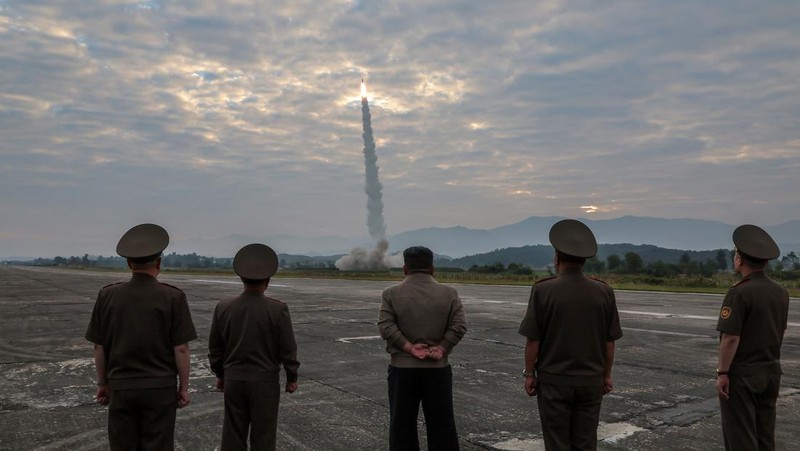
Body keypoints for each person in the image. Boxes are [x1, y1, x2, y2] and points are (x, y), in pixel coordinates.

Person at [85, 223, 197, 450]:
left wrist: (102, 383)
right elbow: (181, 348)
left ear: (128, 263)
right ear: (158, 262)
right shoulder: (172, 297)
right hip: (160, 389)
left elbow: (99, 346)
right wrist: (183, 388)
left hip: (121, 387)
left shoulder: (107, 295)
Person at [518, 219, 623, 451]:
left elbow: (533, 340)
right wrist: (606, 375)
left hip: (555, 381)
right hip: (591, 382)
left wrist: (529, 374)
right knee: (586, 442)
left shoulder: (543, 290)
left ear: (557, 258)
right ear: (584, 260)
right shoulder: (604, 292)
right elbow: (609, 342)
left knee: (557, 442)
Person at [208, 243, 300, 451]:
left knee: (232, 435)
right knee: (264, 437)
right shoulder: (278, 309)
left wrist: (221, 374)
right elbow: (288, 348)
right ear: (267, 281)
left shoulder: (223, 307)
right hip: (265, 382)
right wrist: (291, 377)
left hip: (234, 379)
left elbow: (215, 348)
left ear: (241, 278)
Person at [377, 246, 467, 451]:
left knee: (402, 426)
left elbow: (386, 326)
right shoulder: (449, 293)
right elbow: (459, 326)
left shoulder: (390, 294)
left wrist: (409, 347)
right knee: (442, 425)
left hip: (402, 369)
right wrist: (442, 348)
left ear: (405, 268)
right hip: (437, 369)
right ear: (432, 268)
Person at [715, 224, 789, 451]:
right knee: (765, 436)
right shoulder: (780, 291)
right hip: (770, 372)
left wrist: (723, 372)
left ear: (739, 260)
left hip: (743, 375)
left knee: (741, 437)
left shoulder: (739, 292)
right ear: (765, 261)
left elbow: (731, 338)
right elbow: (780, 330)